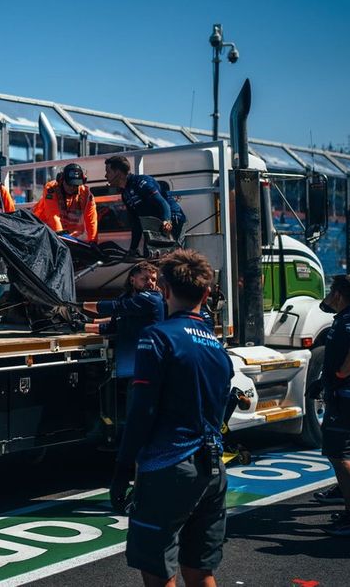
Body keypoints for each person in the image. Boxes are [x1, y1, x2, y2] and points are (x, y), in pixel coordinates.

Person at [110, 249, 233, 587]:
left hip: (168, 466)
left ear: (163, 289)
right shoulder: (218, 348)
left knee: (158, 568)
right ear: (206, 294)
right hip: (212, 466)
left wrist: (122, 469)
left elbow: (143, 410)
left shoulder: (158, 337)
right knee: (200, 570)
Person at [305, 274, 350, 535]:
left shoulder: (349, 321)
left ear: (338, 294)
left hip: (349, 397)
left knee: (341, 456)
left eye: (332, 290)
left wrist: (338, 377)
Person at [83, 261, 164, 380]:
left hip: (148, 369)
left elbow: (116, 307)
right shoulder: (126, 298)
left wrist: (80, 305)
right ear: (132, 280)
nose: (150, 283)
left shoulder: (153, 298)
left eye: (153, 279)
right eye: (145, 279)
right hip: (128, 368)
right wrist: (84, 325)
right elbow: (114, 326)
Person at [104, 155, 185, 255]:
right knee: (150, 256)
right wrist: (133, 249)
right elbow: (136, 223)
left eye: (108, 172)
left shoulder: (142, 183)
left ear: (118, 172)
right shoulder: (125, 194)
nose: (105, 176)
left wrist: (167, 221)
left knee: (172, 259)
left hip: (172, 217)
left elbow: (163, 204)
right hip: (154, 224)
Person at [33, 162, 98, 242]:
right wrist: (60, 234)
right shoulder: (51, 189)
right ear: (61, 180)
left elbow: (91, 220)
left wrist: (93, 241)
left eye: (75, 185)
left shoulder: (86, 195)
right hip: (44, 232)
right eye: (69, 184)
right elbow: (53, 215)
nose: (72, 188)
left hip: (70, 238)